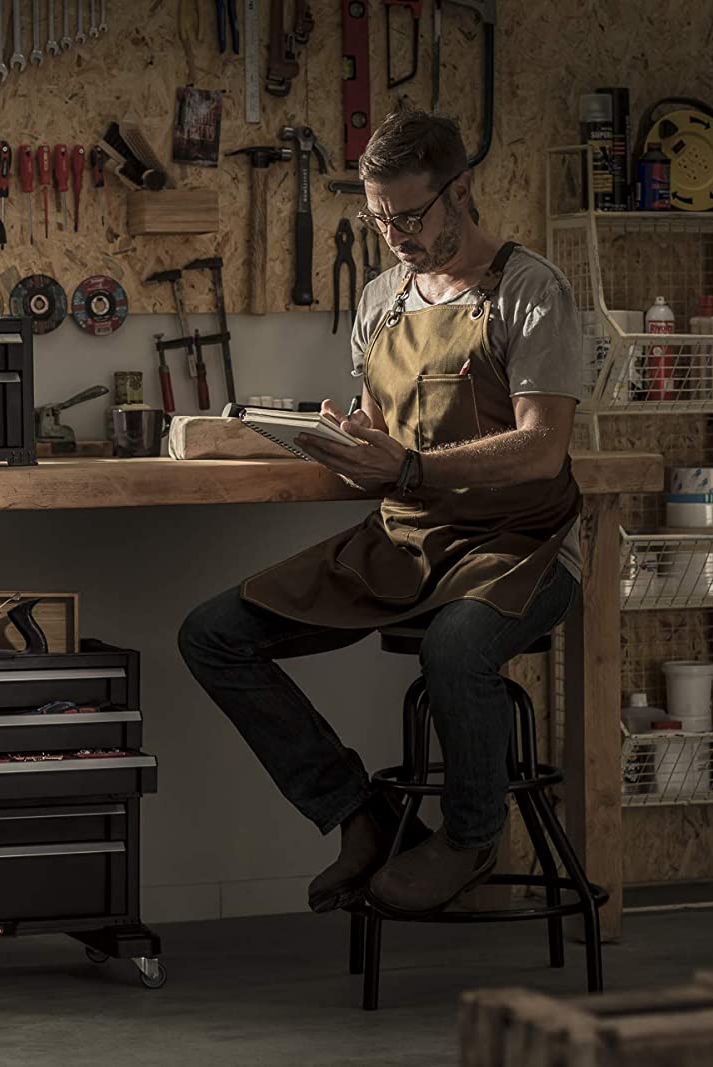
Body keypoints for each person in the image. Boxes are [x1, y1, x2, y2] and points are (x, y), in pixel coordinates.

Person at [177, 109, 583, 919]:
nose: (392, 233)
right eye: (377, 217)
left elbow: (542, 447)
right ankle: (361, 814)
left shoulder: (530, 289)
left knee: (456, 644)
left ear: (460, 190)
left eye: (408, 215)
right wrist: (353, 438)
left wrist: (409, 464)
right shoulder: (380, 299)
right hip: (404, 538)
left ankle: (471, 836)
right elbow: (385, 429)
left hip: (520, 544)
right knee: (213, 635)